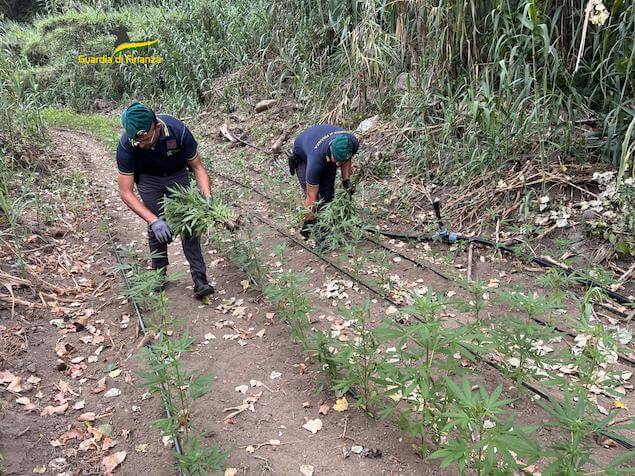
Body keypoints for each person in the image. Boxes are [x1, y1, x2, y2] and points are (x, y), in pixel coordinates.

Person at [116, 101, 214, 299]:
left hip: (177, 174)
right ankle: (159, 273)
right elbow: (126, 191)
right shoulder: (126, 144)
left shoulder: (178, 131)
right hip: (148, 178)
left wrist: (207, 198)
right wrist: (153, 220)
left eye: (145, 139)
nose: (141, 144)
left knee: (189, 224)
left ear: (157, 126)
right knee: (157, 226)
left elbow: (197, 168)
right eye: (137, 141)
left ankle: (200, 279)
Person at [288, 124, 359, 238]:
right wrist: (309, 223)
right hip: (303, 157)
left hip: (323, 150)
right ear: (330, 150)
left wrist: (346, 181)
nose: (338, 165)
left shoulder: (351, 142)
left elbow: (346, 158)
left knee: (327, 195)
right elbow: (312, 196)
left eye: (340, 162)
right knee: (315, 198)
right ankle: (312, 225)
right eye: (336, 161)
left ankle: (326, 225)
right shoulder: (315, 161)